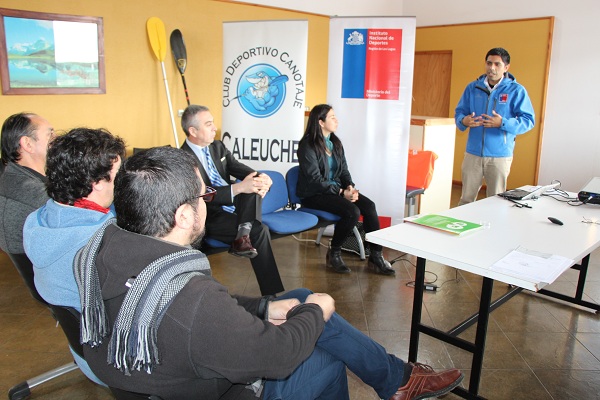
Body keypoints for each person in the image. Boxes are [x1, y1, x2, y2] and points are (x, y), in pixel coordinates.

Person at [74, 146, 463, 400]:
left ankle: (397, 379)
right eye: (205, 195)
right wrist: (316, 311)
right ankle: (397, 380)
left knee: (297, 297)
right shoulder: (192, 299)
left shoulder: (101, 255)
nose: (209, 202)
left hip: (164, 372)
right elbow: (278, 357)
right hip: (222, 391)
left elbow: (203, 313)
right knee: (325, 356)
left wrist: (263, 308)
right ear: (183, 216)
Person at [22, 127, 125, 386]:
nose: (120, 182)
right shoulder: (105, 242)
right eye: (117, 176)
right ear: (97, 183)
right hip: (116, 362)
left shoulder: (35, 221)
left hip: (84, 353)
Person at [180, 104, 284, 296]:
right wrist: (239, 188)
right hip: (209, 215)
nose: (215, 128)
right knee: (259, 230)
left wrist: (262, 178)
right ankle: (271, 295)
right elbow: (202, 195)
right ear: (193, 131)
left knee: (252, 184)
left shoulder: (217, 147)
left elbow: (240, 169)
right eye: (209, 124)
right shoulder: (182, 159)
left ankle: (242, 235)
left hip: (235, 207)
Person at [297, 104, 394, 275]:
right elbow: (314, 180)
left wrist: (350, 187)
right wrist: (342, 192)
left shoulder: (335, 143)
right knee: (352, 212)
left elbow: (343, 171)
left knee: (369, 206)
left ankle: (376, 256)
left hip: (335, 190)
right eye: (332, 117)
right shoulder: (307, 145)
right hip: (313, 194)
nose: (336, 120)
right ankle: (334, 253)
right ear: (320, 122)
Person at [455, 47, 535, 205]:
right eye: (489, 63)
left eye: (497, 64)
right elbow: (459, 112)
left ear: (506, 67)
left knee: (496, 201)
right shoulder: (472, 88)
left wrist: (502, 123)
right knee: (466, 199)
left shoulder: (516, 90)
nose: (492, 68)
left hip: (500, 156)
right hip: (473, 154)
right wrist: (464, 121)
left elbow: (528, 120)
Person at [0, 112, 53, 254]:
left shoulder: (11, 178)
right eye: (50, 135)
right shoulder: (38, 194)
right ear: (28, 144)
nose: (56, 141)